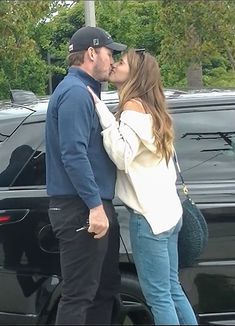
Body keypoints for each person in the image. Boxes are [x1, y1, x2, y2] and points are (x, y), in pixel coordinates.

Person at [87, 48, 198, 325]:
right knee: (172, 290)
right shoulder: (154, 108)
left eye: (121, 62)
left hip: (148, 218)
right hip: (169, 214)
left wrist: (102, 113)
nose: (114, 64)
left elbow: (122, 156)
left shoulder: (133, 108)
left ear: (134, 73)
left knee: (159, 297)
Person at [45, 26, 126, 325]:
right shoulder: (75, 93)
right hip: (80, 207)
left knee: (104, 291)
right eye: (109, 53)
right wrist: (94, 206)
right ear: (91, 53)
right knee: (79, 295)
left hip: (91, 206)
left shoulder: (85, 91)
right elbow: (73, 154)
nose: (112, 60)